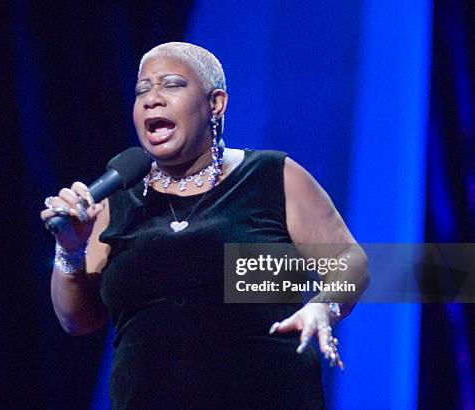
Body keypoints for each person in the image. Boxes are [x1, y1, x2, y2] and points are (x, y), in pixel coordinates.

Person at [40, 42, 369, 409]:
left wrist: (324, 306)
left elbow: (349, 261)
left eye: (171, 84)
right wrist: (69, 249)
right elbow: (77, 322)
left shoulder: (270, 177)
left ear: (215, 104)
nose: (152, 99)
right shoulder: (115, 201)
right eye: (142, 90)